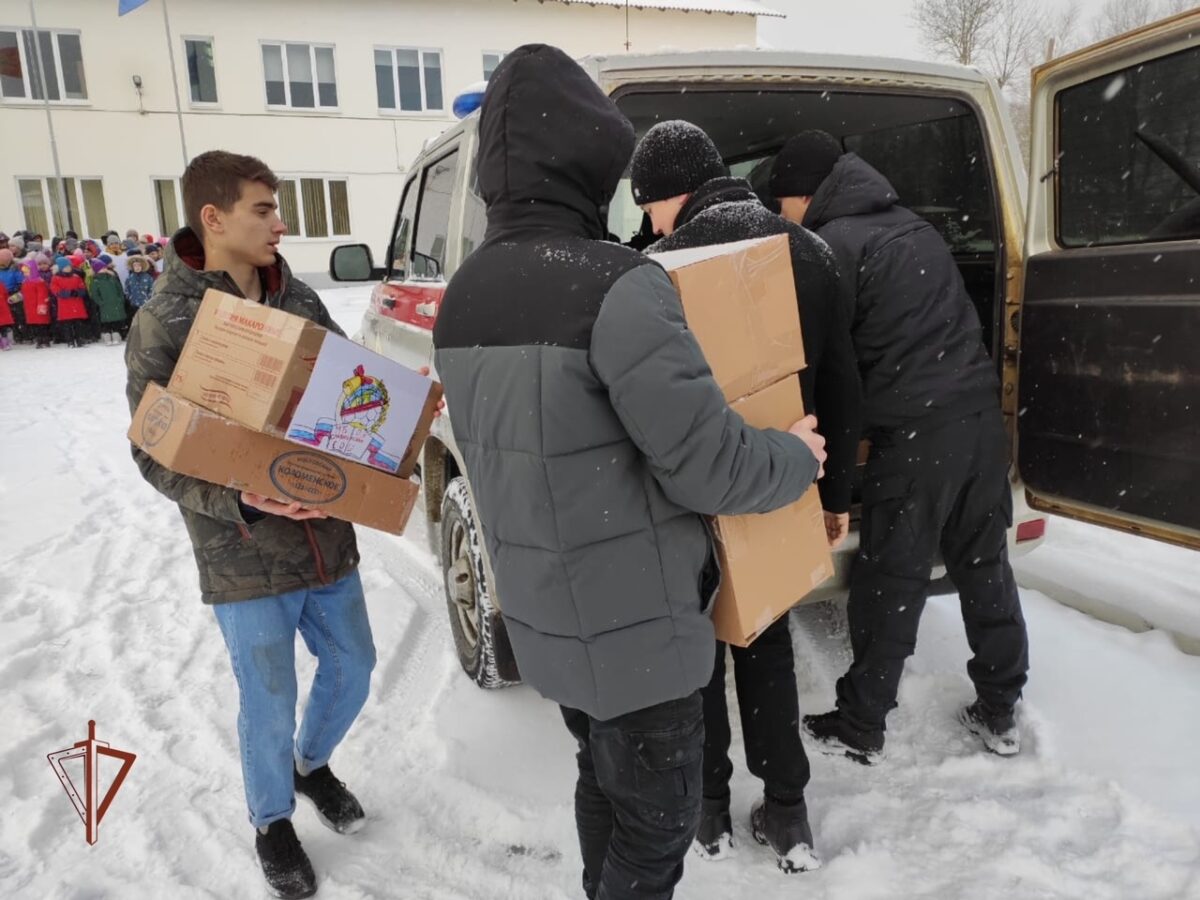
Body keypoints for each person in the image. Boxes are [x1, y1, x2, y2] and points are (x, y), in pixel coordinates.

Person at [432, 45, 827, 900]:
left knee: (599, 776)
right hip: (640, 638)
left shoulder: (462, 294)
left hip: (546, 621)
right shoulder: (617, 284)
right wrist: (797, 457)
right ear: (586, 163)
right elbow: (711, 467)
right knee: (655, 831)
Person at [126, 150, 376, 900]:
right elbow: (153, 451)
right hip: (242, 550)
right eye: (264, 209)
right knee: (265, 694)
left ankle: (310, 764)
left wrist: (384, 412)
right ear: (215, 217)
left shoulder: (296, 297)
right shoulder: (165, 321)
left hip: (324, 533)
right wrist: (242, 501)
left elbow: (342, 384)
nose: (281, 222)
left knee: (355, 669)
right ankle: (272, 819)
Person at [628, 120, 862, 873]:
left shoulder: (655, 267)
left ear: (670, 196)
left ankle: (707, 810)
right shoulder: (813, 251)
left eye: (649, 207)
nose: (648, 225)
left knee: (698, 646)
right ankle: (787, 809)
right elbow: (840, 385)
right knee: (764, 640)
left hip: (686, 497)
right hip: (783, 477)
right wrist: (833, 492)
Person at [770, 130, 1029, 763]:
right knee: (985, 566)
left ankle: (861, 725)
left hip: (916, 439)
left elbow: (824, 363)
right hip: (978, 422)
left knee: (891, 579)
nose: (780, 220)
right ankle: (1000, 709)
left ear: (803, 196)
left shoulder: (832, 246)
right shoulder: (915, 227)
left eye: (781, 205)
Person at [50, 255, 89, 347]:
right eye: (65, 267)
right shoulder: (56, 278)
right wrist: (67, 293)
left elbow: (82, 287)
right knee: (67, 325)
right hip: (65, 305)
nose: (68, 269)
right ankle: (70, 341)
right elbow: (55, 290)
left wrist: (78, 293)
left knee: (78, 324)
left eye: (69, 266)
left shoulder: (76, 277)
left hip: (76, 303)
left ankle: (80, 339)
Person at [90, 256, 126, 344]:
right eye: (102, 268)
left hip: (115, 303)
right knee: (106, 321)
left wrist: (120, 299)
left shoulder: (112, 278)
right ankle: (107, 336)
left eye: (104, 267)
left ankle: (116, 335)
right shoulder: (95, 281)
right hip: (105, 304)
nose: (104, 269)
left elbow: (119, 289)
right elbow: (95, 294)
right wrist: (101, 302)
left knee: (116, 320)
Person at [20, 253, 53, 348]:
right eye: (24, 271)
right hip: (30, 307)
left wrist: (42, 305)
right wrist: (15, 298)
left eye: (27, 271)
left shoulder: (39, 281)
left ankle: (45, 340)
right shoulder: (25, 282)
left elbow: (42, 294)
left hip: (38, 307)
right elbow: (23, 293)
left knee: (42, 325)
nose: (25, 273)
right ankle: (39, 340)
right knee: (35, 325)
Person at [0, 248, 24, 343]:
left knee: (18, 315)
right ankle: (14, 334)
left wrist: (16, 290)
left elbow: (20, 281)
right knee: (8, 317)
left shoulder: (15, 269)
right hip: (2, 295)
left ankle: (22, 334)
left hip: (13, 294)